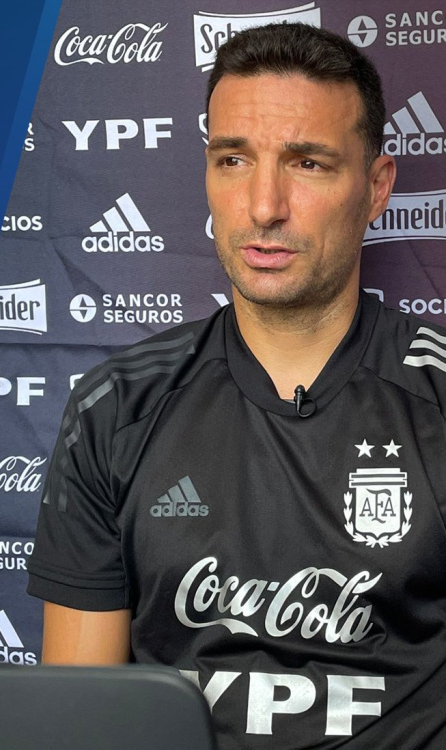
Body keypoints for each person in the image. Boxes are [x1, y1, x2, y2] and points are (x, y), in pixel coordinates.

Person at [27, 22, 446, 750]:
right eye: (233, 159)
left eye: (307, 163)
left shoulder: (435, 400)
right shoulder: (114, 409)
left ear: (377, 187)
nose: (263, 205)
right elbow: (78, 721)